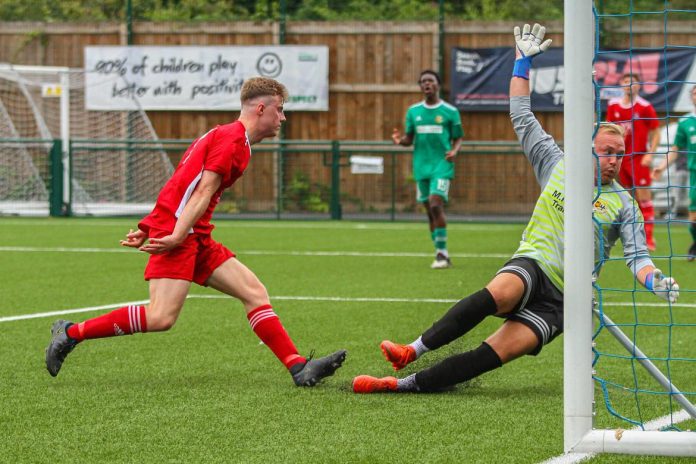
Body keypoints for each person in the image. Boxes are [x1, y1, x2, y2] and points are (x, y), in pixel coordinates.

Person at [353, 23, 679, 394]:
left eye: (619, 155)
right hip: (534, 264)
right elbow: (522, 116)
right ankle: (412, 350)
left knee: (495, 352)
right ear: (587, 146)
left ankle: (401, 384)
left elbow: (638, 258)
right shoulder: (558, 164)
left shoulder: (624, 203)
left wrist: (655, 280)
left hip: (564, 299)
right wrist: (521, 61)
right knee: (500, 292)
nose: (614, 160)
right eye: (607, 152)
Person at [45, 77, 346, 387]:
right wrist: (174, 234)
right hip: (184, 231)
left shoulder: (228, 136)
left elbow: (180, 182)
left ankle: (298, 367)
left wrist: (151, 226)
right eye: (280, 110)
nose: (282, 118)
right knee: (161, 317)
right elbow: (201, 191)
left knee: (254, 292)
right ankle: (70, 333)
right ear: (261, 109)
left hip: (192, 230)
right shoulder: (232, 141)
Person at [392, 69, 464, 269]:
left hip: (442, 165)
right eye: (423, 81)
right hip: (421, 167)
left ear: (438, 85)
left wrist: (455, 150)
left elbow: (458, 137)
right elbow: (409, 139)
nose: (427, 84)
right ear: (421, 86)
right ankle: (440, 251)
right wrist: (400, 141)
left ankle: (442, 254)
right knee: (429, 211)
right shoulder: (413, 112)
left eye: (430, 80)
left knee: (435, 204)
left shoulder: (450, 112)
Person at [606, 72, 661, 250]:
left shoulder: (645, 107)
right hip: (620, 160)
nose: (629, 85)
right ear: (621, 85)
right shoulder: (613, 106)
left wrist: (650, 154)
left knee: (644, 197)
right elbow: (608, 131)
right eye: (626, 81)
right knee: (625, 199)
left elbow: (656, 132)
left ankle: (650, 239)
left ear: (638, 86)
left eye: (633, 82)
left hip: (638, 158)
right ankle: (628, 237)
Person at [652, 84, 696, 261]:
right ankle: (695, 244)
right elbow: (676, 148)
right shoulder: (685, 122)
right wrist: (662, 166)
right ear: (691, 97)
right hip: (694, 175)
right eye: (694, 93)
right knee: (693, 217)